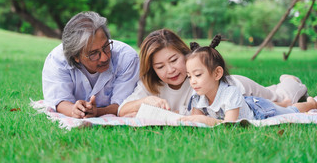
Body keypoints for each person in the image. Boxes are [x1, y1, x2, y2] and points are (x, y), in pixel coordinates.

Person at [118, 29, 308, 117]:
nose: (170, 70)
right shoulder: (149, 85)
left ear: (186, 54)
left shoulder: (200, 78)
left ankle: (291, 81)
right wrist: (145, 101)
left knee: (280, 100)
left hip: (240, 88)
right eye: (160, 67)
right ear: (152, 69)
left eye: (174, 60)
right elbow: (122, 110)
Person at [180, 35, 317, 126]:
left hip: (258, 110)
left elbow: (230, 124)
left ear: (217, 74)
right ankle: (282, 103)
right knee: (282, 105)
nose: (192, 81)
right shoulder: (197, 96)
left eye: (198, 75)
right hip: (246, 103)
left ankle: (310, 104)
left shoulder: (230, 92)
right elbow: (196, 119)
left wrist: (206, 120)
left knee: (289, 110)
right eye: (189, 76)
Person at [42, 11, 140, 118]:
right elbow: (58, 100)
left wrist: (97, 112)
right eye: (93, 54)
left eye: (106, 46)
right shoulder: (57, 60)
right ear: (75, 56)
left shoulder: (127, 58)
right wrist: (74, 110)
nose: (105, 57)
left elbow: (123, 106)